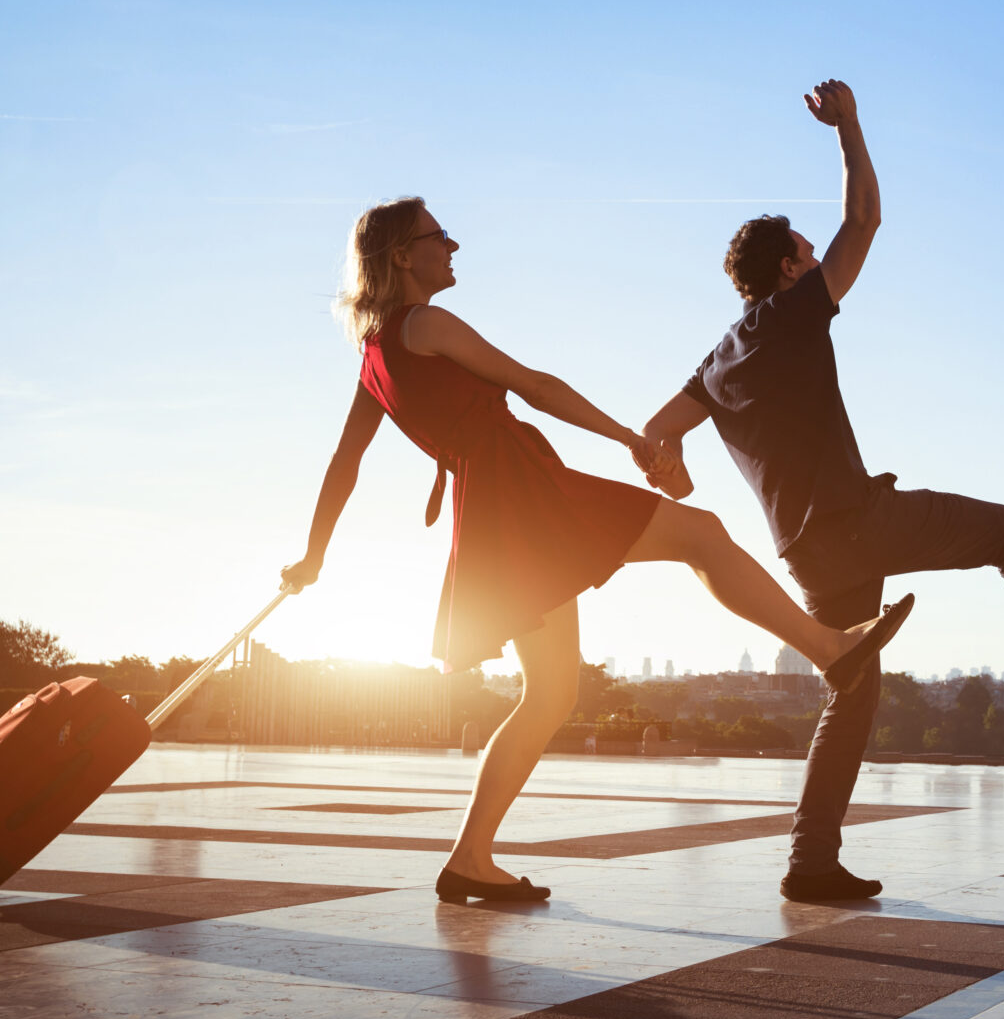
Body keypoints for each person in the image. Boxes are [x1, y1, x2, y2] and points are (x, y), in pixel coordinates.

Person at [282, 197, 912, 905]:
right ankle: (830, 648)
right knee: (700, 532)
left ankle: (470, 859)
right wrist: (631, 439)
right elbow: (536, 386)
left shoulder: (374, 353)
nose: (454, 245)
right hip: (522, 492)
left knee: (551, 693)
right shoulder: (426, 323)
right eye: (439, 237)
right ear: (403, 255)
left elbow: (345, 460)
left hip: (494, 509)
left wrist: (314, 554)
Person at [639, 80, 1004, 903]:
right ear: (786, 269)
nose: (819, 267)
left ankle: (811, 860)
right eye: (806, 257)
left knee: (851, 687)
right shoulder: (790, 315)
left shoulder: (720, 356)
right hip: (857, 520)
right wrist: (850, 130)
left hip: (803, 551)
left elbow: (656, 429)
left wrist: (670, 465)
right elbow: (865, 223)